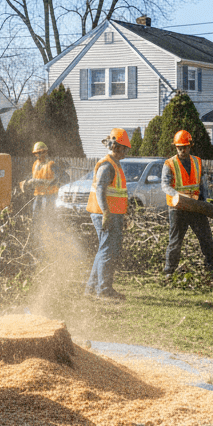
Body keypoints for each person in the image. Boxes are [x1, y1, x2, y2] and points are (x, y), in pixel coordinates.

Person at [162, 130, 213, 278]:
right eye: (179, 147)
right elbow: (165, 186)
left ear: (190, 146)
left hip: (196, 207)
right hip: (178, 209)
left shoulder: (197, 161)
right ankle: (169, 272)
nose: (182, 150)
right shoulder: (169, 164)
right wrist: (177, 195)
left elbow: (202, 184)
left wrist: (205, 202)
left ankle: (210, 267)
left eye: (185, 147)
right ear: (175, 147)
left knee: (206, 238)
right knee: (175, 242)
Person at [84, 128, 131, 300]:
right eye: (125, 148)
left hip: (111, 213)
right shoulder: (107, 165)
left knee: (104, 250)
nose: (126, 151)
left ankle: (92, 287)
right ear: (117, 147)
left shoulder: (114, 164)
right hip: (105, 213)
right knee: (108, 251)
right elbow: (100, 191)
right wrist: (106, 213)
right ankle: (104, 290)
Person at [20, 140, 63, 237]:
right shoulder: (35, 164)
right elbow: (34, 176)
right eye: (36, 153)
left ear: (45, 152)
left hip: (49, 195)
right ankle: (36, 236)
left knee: (47, 216)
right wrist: (28, 183)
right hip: (38, 194)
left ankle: (49, 236)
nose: (38, 155)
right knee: (35, 216)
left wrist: (48, 183)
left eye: (40, 153)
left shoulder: (51, 164)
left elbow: (60, 177)